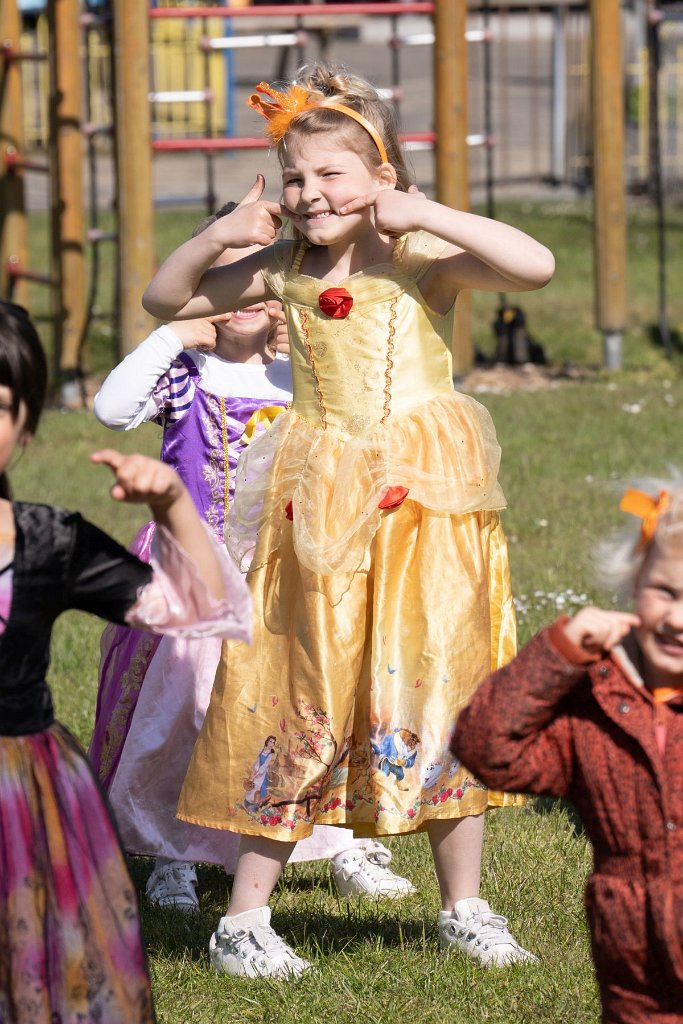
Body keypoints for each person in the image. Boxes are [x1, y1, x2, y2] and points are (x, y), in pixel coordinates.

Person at [142, 62, 555, 978]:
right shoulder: (280, 271)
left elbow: (537, 265)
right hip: (323, 502)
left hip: (427, 507)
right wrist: (220, 235)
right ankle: (243, 919)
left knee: (440, 680)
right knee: (304, 683)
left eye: (332, 174)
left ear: (381, 180)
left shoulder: (419, 262)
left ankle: (465, 904)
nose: (308, 193)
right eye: (295, 177)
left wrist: (429, 214)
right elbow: (164, 302)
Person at [90, 203, 416, 913]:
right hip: (192, 575)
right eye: (221, 285)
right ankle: (169, 851)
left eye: (256, 287)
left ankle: (341, 842)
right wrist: (174, 331)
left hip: (286, 571)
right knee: (188, 711)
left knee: (309, 702)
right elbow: (111, 410)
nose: (242, 303)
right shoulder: (185, 376)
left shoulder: (297, 382)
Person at [0, 301, 252, 1022]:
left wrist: (174, 503)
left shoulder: (48, 542)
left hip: (20, 798)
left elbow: (207, 611)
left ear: (25, 427)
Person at [452, 480, 683, 1023]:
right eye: (666, 593)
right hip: (637, 971)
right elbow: (486, 747)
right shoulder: (595, 704)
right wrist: (559, 653)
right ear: (633, 583)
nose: (677, 619)